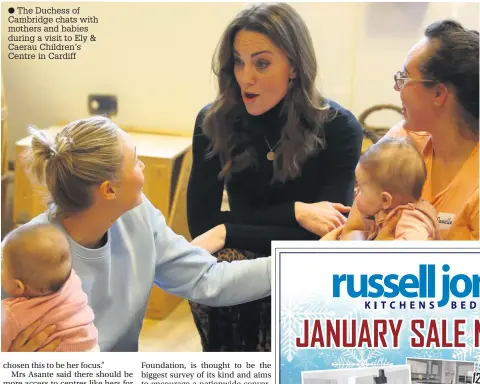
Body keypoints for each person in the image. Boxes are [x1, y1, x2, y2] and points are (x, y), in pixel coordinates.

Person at [1, 115, 271, 352]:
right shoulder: (23, 255)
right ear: (108, 190)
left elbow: (208, 279)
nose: (142, 168)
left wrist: (297, 263)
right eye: (136, 161)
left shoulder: (138, 216)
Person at [187, 2, 363, 351]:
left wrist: (229, 228)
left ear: (294, 67)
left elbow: (328, 236)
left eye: (262, 63)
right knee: (212, 268)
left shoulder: (340, 128)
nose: (245, 77)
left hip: (306, 266)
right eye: (238, 61)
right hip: (242, 259)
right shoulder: (214, 121)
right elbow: (203, 226)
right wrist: (295, 212)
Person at [338, 19, 478, 241]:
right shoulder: (399, 143)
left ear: (439, 94)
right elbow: (353, 230)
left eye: (403, 78)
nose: (396, 87)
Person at [2, 223, 99, 352]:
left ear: (18, 286)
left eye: (2, 265)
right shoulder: (71, 282)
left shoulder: (11, 314)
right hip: (89, 345)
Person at [325, 138, 440, 241]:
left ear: (385, 200)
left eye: (361, 189)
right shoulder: (383, 212)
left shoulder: (411, 219)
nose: (355, 193)